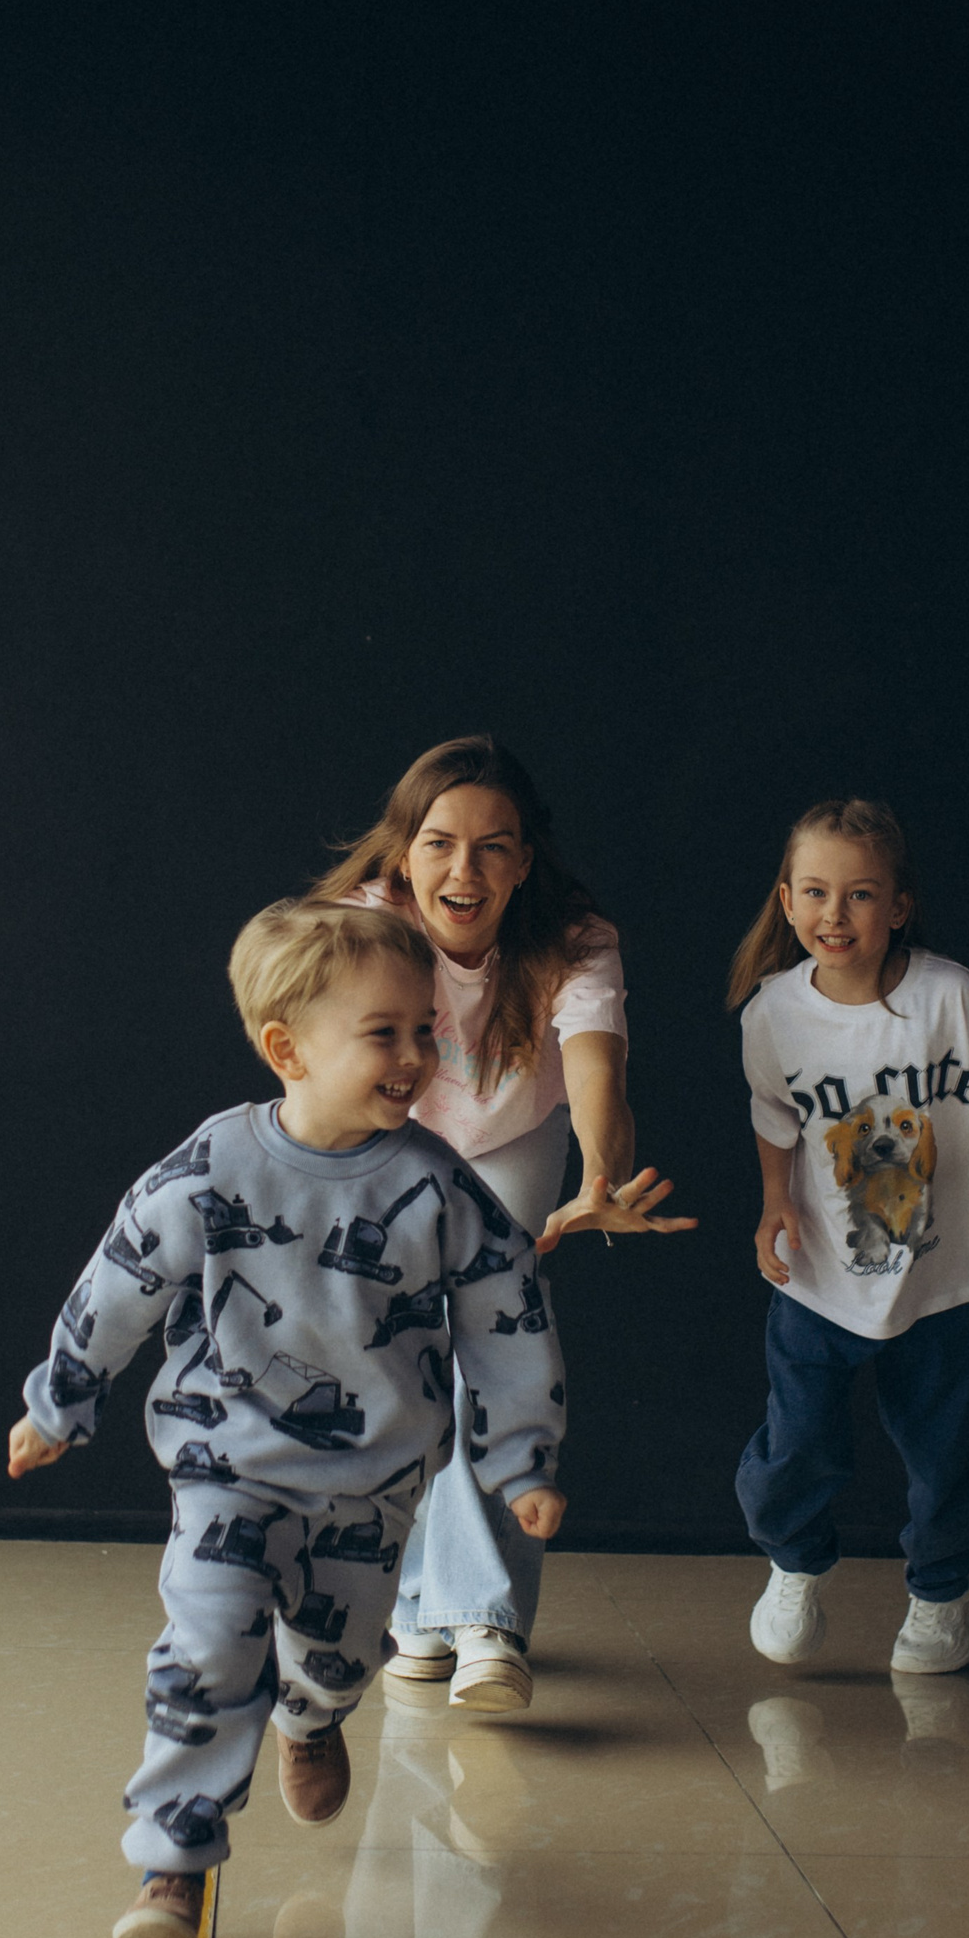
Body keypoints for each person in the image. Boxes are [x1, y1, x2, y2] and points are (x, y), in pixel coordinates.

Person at [7, 898, 568, 1938]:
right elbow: (119, 1280)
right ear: (287, 1050)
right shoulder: (213, 1168)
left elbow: (507, 1313)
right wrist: (61, 1400)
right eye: (384, 1034)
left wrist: (519, 1457)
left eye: (424, 1029)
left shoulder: (435, 1186)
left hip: (371, 1485)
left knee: (341, 1655)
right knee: (208, 1647)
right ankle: (172, 1862)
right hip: (226, 1464)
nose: (416, 1056)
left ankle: (309, 1714)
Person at [314, 734, 692, 1715]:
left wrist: (601, 1174)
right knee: (400, 1356)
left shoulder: (576, 940)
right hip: (390, 1133)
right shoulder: (368, 924)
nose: (465, 871)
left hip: (512, 1137)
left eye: (493, 847)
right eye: (440, 844)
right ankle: (418, 1606)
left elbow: (598, 1074)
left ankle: (484, 1619)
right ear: (404, 856)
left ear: (525, 861)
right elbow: (334, 1073)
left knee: (487, 1331)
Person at [730, 797, 969, 1676]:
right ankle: (794, 1563)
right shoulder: (772, 1013)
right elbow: (775, 1117)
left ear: (899, 905)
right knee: (796, 1444)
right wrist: (774, 1203)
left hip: (943, 1279)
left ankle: (941, 1594)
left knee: (946, 1451)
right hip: (819, 1276)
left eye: (860, 894)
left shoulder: (949, 997)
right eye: (815, 892)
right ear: (786, 901)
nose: (835, 914)